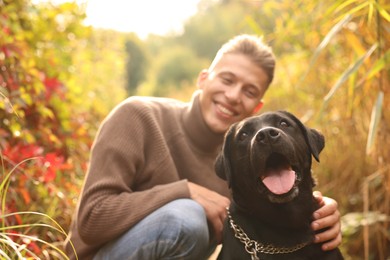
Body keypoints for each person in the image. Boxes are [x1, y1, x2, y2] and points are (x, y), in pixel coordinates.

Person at [65, 34, 342, 260]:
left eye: (249, 91)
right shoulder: (137, 116)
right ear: (203, 78)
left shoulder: (241, 163)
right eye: (227, 79)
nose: (233, 96)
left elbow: (272, 207)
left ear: (256, 107)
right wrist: (184, 191)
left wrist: (319, 212)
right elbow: (91, 219)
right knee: (187, 219)